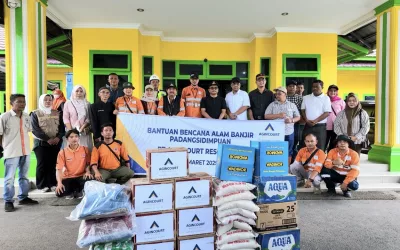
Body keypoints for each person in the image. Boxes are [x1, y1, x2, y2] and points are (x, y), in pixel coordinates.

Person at [0, 94, 39, 212]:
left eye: (24, 102)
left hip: (25, 150)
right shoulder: (5, 117)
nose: (22, 104)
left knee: (24, 176)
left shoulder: (27, 116)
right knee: (9, 178)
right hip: (11, 151)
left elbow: (29, 131)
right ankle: (8, 201)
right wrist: (2, 148)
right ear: (12, 103)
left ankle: (23, 197)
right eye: (19, 102)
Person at [31, 94, 65, 193]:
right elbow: (35, 130)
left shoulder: (57, 113)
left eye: (50, 100)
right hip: (41, 144)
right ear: (41, 101)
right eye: (45, 100)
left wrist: (58, 137)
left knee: (54, 164)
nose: (48, 102)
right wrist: (47, 139)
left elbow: (62, 128)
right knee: (42, 164)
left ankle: (53, 183)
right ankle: (42, 185)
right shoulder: (35, 113)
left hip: (56, 143)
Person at [265, 87, 300, 164]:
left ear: (285, 94)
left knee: (288, 151)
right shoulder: (272, 105)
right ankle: (275, 167)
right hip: (275, 133)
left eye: (279, 94)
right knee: (275, 151)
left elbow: (298, 116)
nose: (277, 95)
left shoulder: (292, 105)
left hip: (288, 132)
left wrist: (292, 120)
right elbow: (266, 116)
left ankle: (287, 168)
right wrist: (278, 115)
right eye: (276, 94)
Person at [55, 129, 92, 199]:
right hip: (68, 177)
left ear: (79, 138)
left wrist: (88, 172)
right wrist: (59, 183)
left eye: (76, 136)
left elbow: (88, 163)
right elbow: (58, 169)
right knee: (59, 193)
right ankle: (74, 191)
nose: (74, 139)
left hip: (81, 176)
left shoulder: (85, 149)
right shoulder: (62, 152)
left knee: (90, 180)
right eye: (71, 137)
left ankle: (78, 191)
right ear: (67, 139)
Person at [300, 80, 331, 151]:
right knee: (305, 146)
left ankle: (319, 162)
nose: (314, 88)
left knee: (320, 146)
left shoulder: (326, 98)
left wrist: (315, 121)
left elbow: (327, 112)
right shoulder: (306, 97)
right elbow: (302, 110)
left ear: (322, 87)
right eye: (313, 87)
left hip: (320, 126)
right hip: (308, 125)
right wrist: (307, 121)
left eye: (317, 87)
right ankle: (305, 161)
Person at [63, 85, 93, 151]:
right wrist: (71, 131)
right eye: (77, 91)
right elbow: (65, 118)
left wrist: (81, 128)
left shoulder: (87, 104)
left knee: (85, 151)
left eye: (81, 91)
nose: (79, 93)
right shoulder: (68, 103)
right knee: (72, 151)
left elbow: (89, 118)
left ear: (84, 93)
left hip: (84, 132)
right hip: (71, 131)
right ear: (73, 92)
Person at [326, 84, 346, 151]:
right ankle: (322, 158)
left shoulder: (341, 101)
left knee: (333, 143)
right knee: (323, 143)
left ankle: (330, 157)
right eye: (331, 90)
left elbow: (344, 114)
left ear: (337, 92)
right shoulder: (324, 100)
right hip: (325, 126)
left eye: (335, 91)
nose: (333, 92)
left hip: (336, 126)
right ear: (328, 91)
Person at [286, 81, 303, 159]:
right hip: (284, 123)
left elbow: (302, 110)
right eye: (290, 86)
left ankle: (293, 158)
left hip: (296, 122)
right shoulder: (283, 96)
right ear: (286, 87)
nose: (292, 88)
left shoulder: (299, 97)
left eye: (293, 86)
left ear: (296, 88)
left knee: (295, 138)